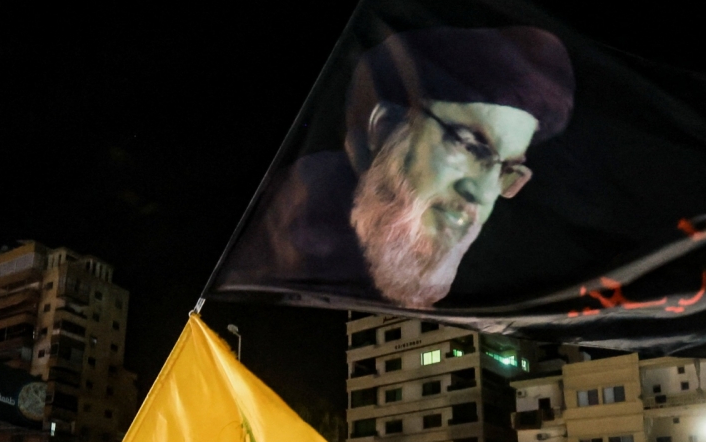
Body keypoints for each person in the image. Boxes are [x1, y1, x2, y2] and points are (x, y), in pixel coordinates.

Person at [226, 26, 575, 309]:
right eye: (470, 146)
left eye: (506, 170)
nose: (482, 193)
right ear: (384, 128)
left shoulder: (483, 286)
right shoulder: (262, 235)